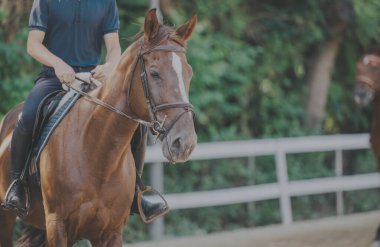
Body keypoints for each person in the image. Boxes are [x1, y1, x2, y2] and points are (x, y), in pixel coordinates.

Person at [2, 0, 167, 221]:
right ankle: (17, 185)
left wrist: (110, 66)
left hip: (92, 79)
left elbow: (113, 47)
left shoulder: (106, 3)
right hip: (53, 78)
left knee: (135, 122)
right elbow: (33, 44)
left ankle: (136, 190)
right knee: (27, 117)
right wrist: (58, 64)